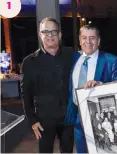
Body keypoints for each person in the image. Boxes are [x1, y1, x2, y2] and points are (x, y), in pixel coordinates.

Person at [64, 24, 117, 153]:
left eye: (92, 38)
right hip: (78, 117)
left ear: (98, 41)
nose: (88, 42)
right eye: (84, 38)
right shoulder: (73, 58)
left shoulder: (110, 60)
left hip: (99, 118)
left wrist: (100, 85)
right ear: (79, 40)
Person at [21, 17, 74, 153]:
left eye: (53, 32)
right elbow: (26, 94)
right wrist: (32, 120)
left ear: (60, 34)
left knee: (68, 151)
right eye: (46, 32)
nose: (50, 35)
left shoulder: (71, 55)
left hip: (68, 118)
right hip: (43, 120)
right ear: (40, 34)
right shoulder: (29, 62)